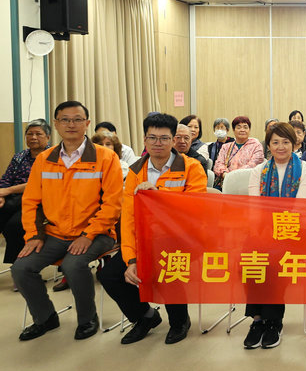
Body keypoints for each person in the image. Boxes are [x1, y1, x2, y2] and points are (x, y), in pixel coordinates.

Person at [13, 101, 123, 341]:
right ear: (56, 124)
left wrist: (88, 235)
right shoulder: (45, 159)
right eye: (65, 119)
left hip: (98, 233)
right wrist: (33, 236)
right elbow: (30, 202)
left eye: (77, 119)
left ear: (87, 123)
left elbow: (113, 205)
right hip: (55, 233)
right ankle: (45, 317)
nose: (71, 124)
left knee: (74, 265)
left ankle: (87, 318)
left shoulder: (106, 157)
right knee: (21, 268)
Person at [97, 113, 207, 345]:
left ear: (173, 140)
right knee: (110, 275)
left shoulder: (191, 167)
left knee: (169, 268)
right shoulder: (135, 171)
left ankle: (179, 322)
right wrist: (131, 259)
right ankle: (145, 317)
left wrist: (158, 195)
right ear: (144, 140)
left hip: (180, 239)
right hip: (145, 241)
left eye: (164, 138)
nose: (158, 143)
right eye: (152, 138)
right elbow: (128, 219)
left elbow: (195, 209)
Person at [243, 122, 306, 349]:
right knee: (249, 258)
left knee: (274, 260)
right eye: (275, 142)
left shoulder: (305, 169)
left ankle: (274, 321)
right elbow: (255, 208)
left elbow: (299, 209)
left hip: (295, 232)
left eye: (286, 142)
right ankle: (258, 319)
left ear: (294, 144)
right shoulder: (259, 171)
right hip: (263, 230)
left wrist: (274, 231)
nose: (281, 147)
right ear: (268, 145)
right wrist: (263, 233)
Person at [0, 120, 51, 274]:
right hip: (13, 199)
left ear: (48, 137)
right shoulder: (20, 156)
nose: (33, 137)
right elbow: (6, 178)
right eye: (30, 134)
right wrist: (1, 194)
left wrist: (8, 191)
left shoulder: (53, 157)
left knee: (15, 226)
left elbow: (39, 183)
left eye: (38, 134)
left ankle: (20, 268)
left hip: (39, 201)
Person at [212, 115, 264, 189]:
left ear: (249, 130)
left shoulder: (256, 145)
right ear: (233, 130)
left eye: (245, 127)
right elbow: (218, 164)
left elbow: (253, 165)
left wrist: (234, 176)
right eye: (239, 127)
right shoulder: (226, 147)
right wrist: (225, 174)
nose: (242, 130)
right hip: (226, 182)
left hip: (247, 183)